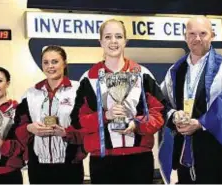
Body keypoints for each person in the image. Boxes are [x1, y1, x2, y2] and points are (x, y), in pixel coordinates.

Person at [159, 16, 222, 184]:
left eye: (203, 33)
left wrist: (200, 123)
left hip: (215, 155)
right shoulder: (175, 70)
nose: (197, 38)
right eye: (192, 33)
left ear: (213, 35)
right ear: (185, 36)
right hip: (183, 156)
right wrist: (174, 115)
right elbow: (162, 102)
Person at [70, 19, 167, 184]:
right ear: (100, 41)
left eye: (118, 36)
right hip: (103, 161)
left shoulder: (142, 74)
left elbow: (158, 112)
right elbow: (78, 121)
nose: (113, 41)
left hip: (139, 159)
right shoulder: (89, 78)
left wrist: (138, 125)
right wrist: (105, 115)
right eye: (108, 37)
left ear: (125, 40)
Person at [13, 45, 86, 184]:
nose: (50, 66)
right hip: (38, 166)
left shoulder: (78, 90)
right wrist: (29, 128)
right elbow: (17, 127)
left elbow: (87, 126)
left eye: (55, 62)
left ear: (64, 63)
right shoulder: (31, 93)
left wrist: (66, 133)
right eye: (46, 62)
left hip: (70, 164)